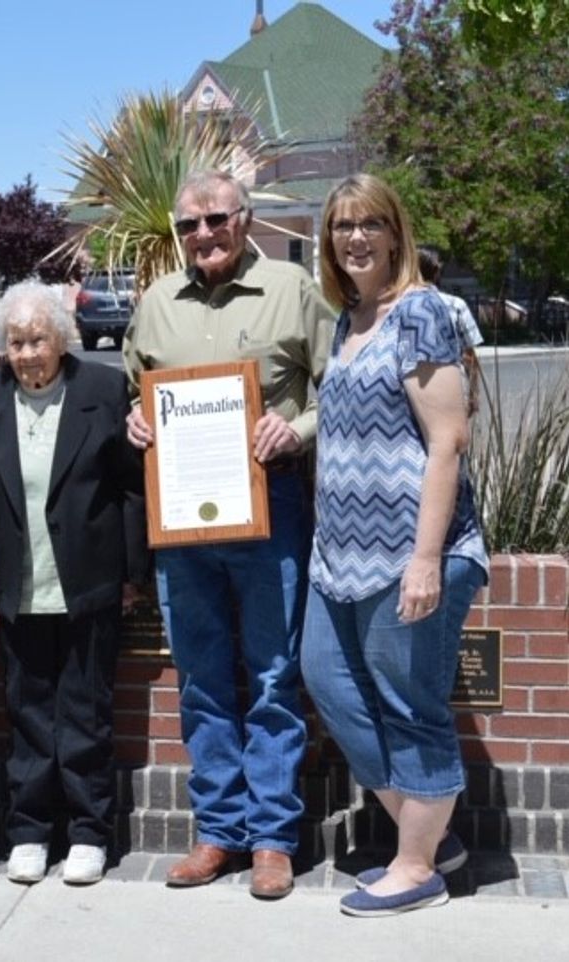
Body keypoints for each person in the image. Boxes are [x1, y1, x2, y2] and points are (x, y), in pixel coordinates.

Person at [123, 170, 336, 899]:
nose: (203, 234)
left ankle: (273, 837)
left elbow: (333, 389)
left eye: (216, 219)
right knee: (202, 674)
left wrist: (297, 427)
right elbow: (136, 389)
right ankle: (218, 829)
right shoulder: (156, 302)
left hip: (269, 501)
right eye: (189, 225)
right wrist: (137, 420)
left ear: (243, 219)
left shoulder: (290, 288)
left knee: (274, 672)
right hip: (182, 510)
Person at [302, 174, 488, 917]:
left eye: (370, 224)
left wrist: (424, 560)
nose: (355, 238)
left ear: (395, 231)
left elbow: (449, 441)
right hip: (337, 558)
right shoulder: (351, 319)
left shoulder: (421, 314)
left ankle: (417, 871)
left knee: (411, 706)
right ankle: (429, 831)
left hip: (410, 553)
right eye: (343, 226)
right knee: (327, 681)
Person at [0, 281, 148, 886]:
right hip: (20, 583)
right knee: (29, 715)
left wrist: (129, 573)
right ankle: (30, 833)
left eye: (38, 339)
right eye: (15, 342)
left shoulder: (100, 389)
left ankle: (90, 833)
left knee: (86, 713)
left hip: (89, 580)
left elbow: (129, 488)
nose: (27, 353)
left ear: (63, 338)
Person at [417, 245, 484, 416]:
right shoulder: (455, 305)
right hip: (452, 383)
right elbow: (469, 355)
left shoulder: (396, 307)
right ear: (437, 271)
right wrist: (473, 394)